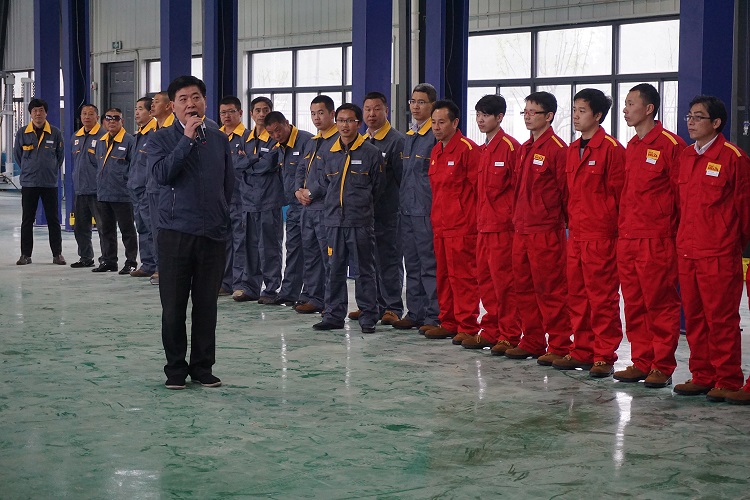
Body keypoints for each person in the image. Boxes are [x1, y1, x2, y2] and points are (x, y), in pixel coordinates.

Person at [147, 75, 233, 390]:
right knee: (173, 308)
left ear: (205, 102)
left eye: (196, 97)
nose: (190, 104)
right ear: (173, 106)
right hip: (175, 233)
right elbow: (162, 175)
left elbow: (228, 184)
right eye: (183, 99)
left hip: (212, 234)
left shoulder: (219, 140)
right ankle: (175, 370)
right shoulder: (160, 139)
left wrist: (221, 216)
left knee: (206, 306)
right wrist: (186, 139)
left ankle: (202, 368)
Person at [672, 96, 750, 402]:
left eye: (698, 117)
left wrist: (728, 242)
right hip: (688, 252)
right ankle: (702, 375)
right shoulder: (686, 156)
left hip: (719, 253)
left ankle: (727, 378)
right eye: (689, 116)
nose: (691, 122)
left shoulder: (733, 158)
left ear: (716, 123)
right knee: (694, 317)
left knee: (721, 319)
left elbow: (744, 210)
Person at [615, 83, 686, 388]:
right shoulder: (632, 146)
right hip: (629, 236)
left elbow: (682, 197)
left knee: (660, 304)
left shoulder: (671, 145)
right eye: (625, 103)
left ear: (649, 109)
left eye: (631, 104)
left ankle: (662, 365)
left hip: (657, 238)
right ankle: (641, 361)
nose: (625, 109)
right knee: (633, 303)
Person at [551, 89, 625, 377]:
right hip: (577, 236)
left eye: (582, 111)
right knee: (577, 296)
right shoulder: (572, 150)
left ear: (597, 115)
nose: (576, 116)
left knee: (602, 299)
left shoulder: (612, 150)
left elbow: (621, 197)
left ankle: (604, 355)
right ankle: (581, 349)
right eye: (574, 110)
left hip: (602, 236)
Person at [504, 91, 572, 366]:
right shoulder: (524, 149)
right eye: (525, 112)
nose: (528, 117)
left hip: (546, 231)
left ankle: (559, 344)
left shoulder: (557, 149)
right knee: (523, 288)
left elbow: (566, 193)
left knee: (551, 290)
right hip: (521, 230)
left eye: (534, 112)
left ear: (549, 116)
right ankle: (532, 340)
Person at [312, 103, 383, 333]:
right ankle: (333, 315)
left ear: (358, 124)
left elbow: (378, 188)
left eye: (350, 121)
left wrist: (361, 207)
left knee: (364, 271)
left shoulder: (370, 153)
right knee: (334, 269)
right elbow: (324, 184)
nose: (345, 125)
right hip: (333, 222)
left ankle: (368, 316)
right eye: (341, 121)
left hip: (360, 222)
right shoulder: (328, 152)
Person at [460, 94, 523, 354]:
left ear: (499, 117)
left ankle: (509, 334)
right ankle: (491, 330)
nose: (480, 120)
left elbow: (518, 190)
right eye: (477, 114)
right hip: (483, 226)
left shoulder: (511, 148)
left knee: (504, 284)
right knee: (485, 281)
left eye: (485, 115)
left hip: (503, 228)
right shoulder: (482, 150)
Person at [421, 100, 481, 341]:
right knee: (443, 276)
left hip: (463, 227)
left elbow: (479, 191)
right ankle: (448, 321)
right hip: (440, 226)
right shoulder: (436, 151)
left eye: (441, 122)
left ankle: (467, 325)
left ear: (455, 123)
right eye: (433, 122)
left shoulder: (468, 150)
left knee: (463, 278)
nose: (436, 127)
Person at [345, 92, 405, 325]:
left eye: (377, 108)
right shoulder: (360, 142)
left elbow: (401, 179)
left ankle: (392, 307)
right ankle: (370, 305)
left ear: (386, 111)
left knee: (388, 259)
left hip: (388, 212)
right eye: (368, 109)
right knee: (366, 261)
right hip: (364, 214)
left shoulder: (396, 141)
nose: (372, 114)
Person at [391, 83, 441, 333]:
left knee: (429, 265)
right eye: (413, 101)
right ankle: (415, 312)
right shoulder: (409, 137)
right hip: (407, 211)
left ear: (432, 105)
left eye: (421, 102)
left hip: (426, 211)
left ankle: (434, 315)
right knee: (411, 263)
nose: (415, 106)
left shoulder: (435, 137)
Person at [294, 95, 340, 314]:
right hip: (307, 209)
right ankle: (314, 297)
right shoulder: (312, 142)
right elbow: (300, 169)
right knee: (310, 255)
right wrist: (297, 190)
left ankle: (331, 302)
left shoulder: (338, 141)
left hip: (325, 209)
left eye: (321, 113)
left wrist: (311, 192)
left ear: (332, 114)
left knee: (328, 257)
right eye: (313, 114)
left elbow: (332, 176)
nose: (316, 118)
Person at [235, 97, 283, 304]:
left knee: (269, 246)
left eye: (265, 110)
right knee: (249, 246)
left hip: (268, 200)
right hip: (247, 200)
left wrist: (249, 162)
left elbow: (267, 165)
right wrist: (255, 160)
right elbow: (237, 164)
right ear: (251, 114)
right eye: (258, 110)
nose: (262, 114)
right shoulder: (245, 138)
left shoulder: (275, 138)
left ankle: (271, 289)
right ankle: (250, 287)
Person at [264, 111, 314, 306]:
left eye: (278, 130)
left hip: (308, 205)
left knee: (310, 251)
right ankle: (289, 292)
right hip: (292, 206)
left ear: (287, 123)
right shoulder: (279, 146)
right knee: (292, 248)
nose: (276, 135)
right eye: (271, 133)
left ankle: (310, 294)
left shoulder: (306, 141)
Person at [13, 98, 66, 266]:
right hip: (29, 183)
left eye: (41, 110)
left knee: (53, 219)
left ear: (46, 113)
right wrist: (29, 169)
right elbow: (18, 156)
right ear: (30, 113)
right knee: (27, 220)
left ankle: (57, 254)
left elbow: (60, 156)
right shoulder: (22, 133)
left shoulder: (55, 133)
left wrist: (50, 169)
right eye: (35, 110)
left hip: (49, 183)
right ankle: (25, 255)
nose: (38, 113)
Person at [92, 108, 138, 274]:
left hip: (122, 194)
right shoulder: (101, 141)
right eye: (109, 118)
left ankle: (131, 262)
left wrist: (127, 185)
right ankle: (109, 261)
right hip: (104, 193)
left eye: (116, 118)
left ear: (122, 121)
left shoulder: (129, 141)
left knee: (127, 231)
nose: (112, 121)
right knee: (106, 230)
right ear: (104, 121)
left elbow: (134, 167)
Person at [217, 96, 251, 297]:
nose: (227, 116)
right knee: (222, 241)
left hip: (241, 198)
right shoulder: (215, 136)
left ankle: (239, 283)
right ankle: (223, 281)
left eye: (231, 112)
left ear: (240, 113)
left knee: (240, 242)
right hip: (219, 199)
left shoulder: (247, 138)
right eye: (223, 112)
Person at [146, 91, 175, 286]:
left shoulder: (173, 129)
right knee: (155, 231)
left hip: (167, 189)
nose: (152, 105)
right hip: (152, 187)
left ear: (168, 106)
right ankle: (160, 267)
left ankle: (169, 269)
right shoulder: (152, 129)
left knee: (168, 232)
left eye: (156, 102)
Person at [127, 97, 157, 278]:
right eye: (136, 109)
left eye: (140, 109)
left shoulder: (155, 133)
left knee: (153, 229)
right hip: (136, 190)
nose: (137, 112)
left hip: (148, 190)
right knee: (142, 228)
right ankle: (147, 264)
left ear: (150, 111)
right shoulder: (138, 135)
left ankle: (158, 266)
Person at [69, 104, 101, 268]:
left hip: (98, 191)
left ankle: (108, 259)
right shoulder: (76, 136)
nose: (87, 117)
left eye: (90, 114)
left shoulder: (103, 136)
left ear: (97, 117)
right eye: (84, 114)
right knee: (80, 227)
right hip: (80, 190)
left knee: (103, 227)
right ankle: (86, 257)